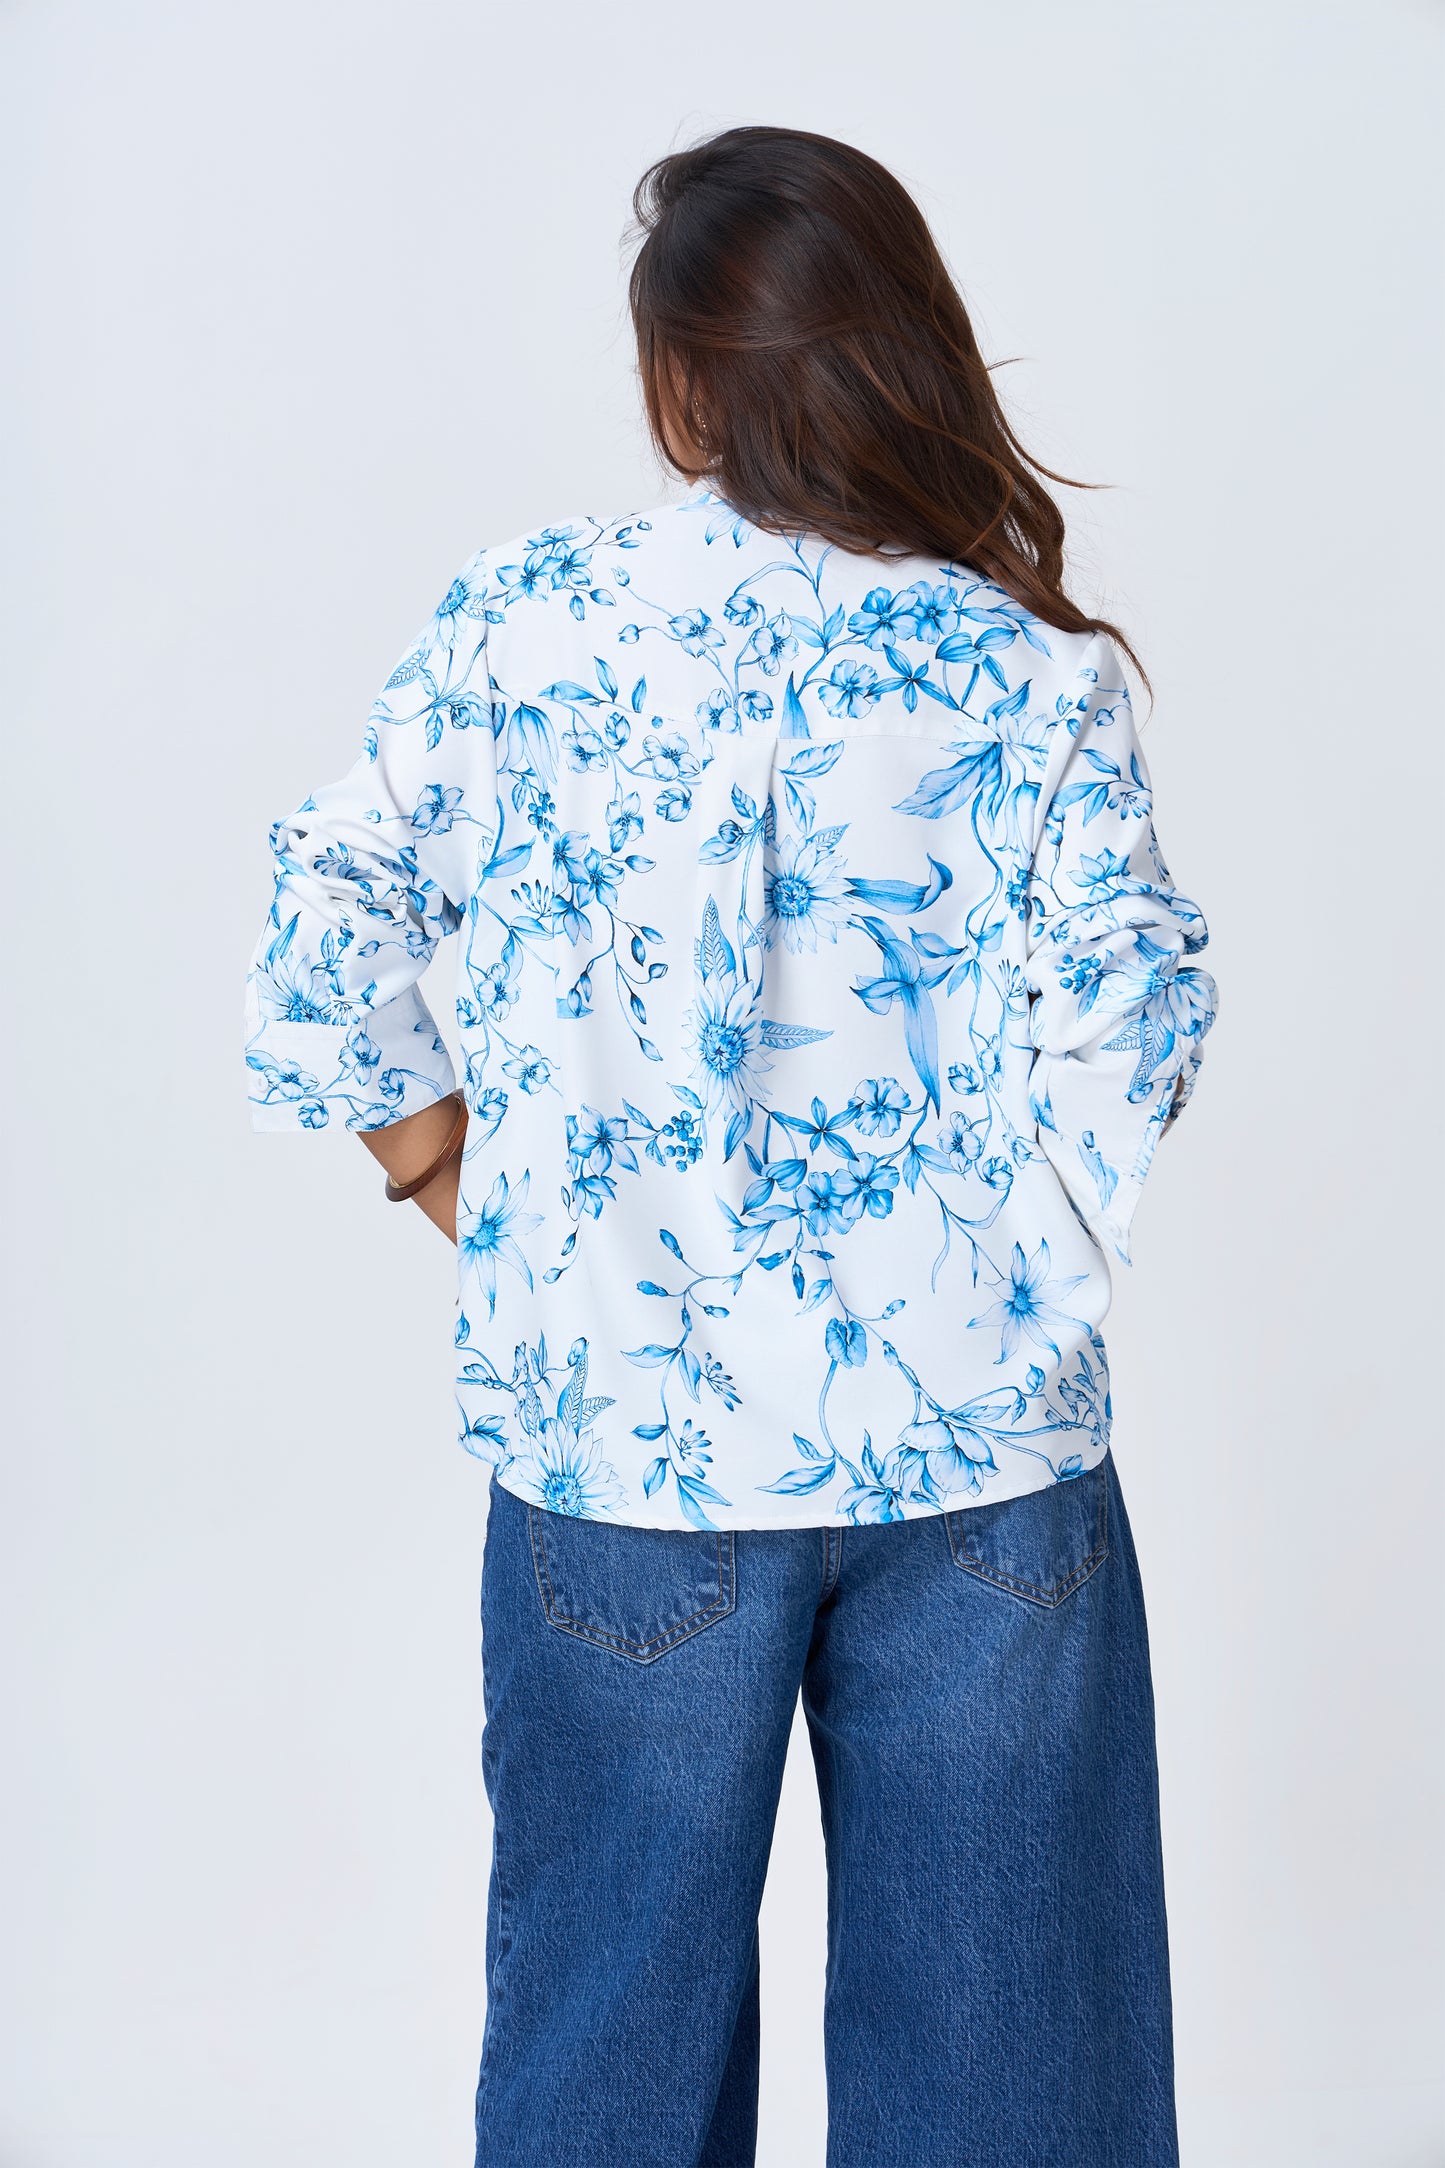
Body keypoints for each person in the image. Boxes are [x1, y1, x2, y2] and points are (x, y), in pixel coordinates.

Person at [244, 124, 1216, 2168]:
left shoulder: (529, 626)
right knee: (1015, 2098)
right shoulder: (1026, 669)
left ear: (683, 381)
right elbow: (1136, 1016)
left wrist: (467, 1191)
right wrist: (1017, 1270)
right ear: (900, 350)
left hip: (622, 1440)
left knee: (605, 2072)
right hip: (983, 1462)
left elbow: (328, 917)